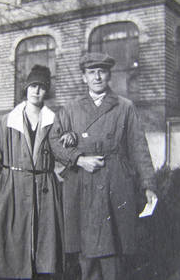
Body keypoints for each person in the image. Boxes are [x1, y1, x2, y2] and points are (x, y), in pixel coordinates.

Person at [49, 52, 158, 280]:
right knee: (87, 253)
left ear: (109, 75)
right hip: (82, 183)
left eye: (102, 71)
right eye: (91, 72)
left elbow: (139, 147)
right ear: (83, 78)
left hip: (115, 182)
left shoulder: (125, 107)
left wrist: (148, 185)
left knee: (114, 252)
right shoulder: (69, 109)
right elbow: (53, 142)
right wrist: (78, 158)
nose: (97, 76)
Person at [0, 65, 73, 279]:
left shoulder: (55, 121)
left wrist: (71, 138)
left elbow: (64, 154)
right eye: (33, 85)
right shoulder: (8, 121)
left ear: (47, 91)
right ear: (25, 88)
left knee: (43, 245)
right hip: (12, 188)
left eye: (42, 87)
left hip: (44, 189)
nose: (36, 91)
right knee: (12, 247)